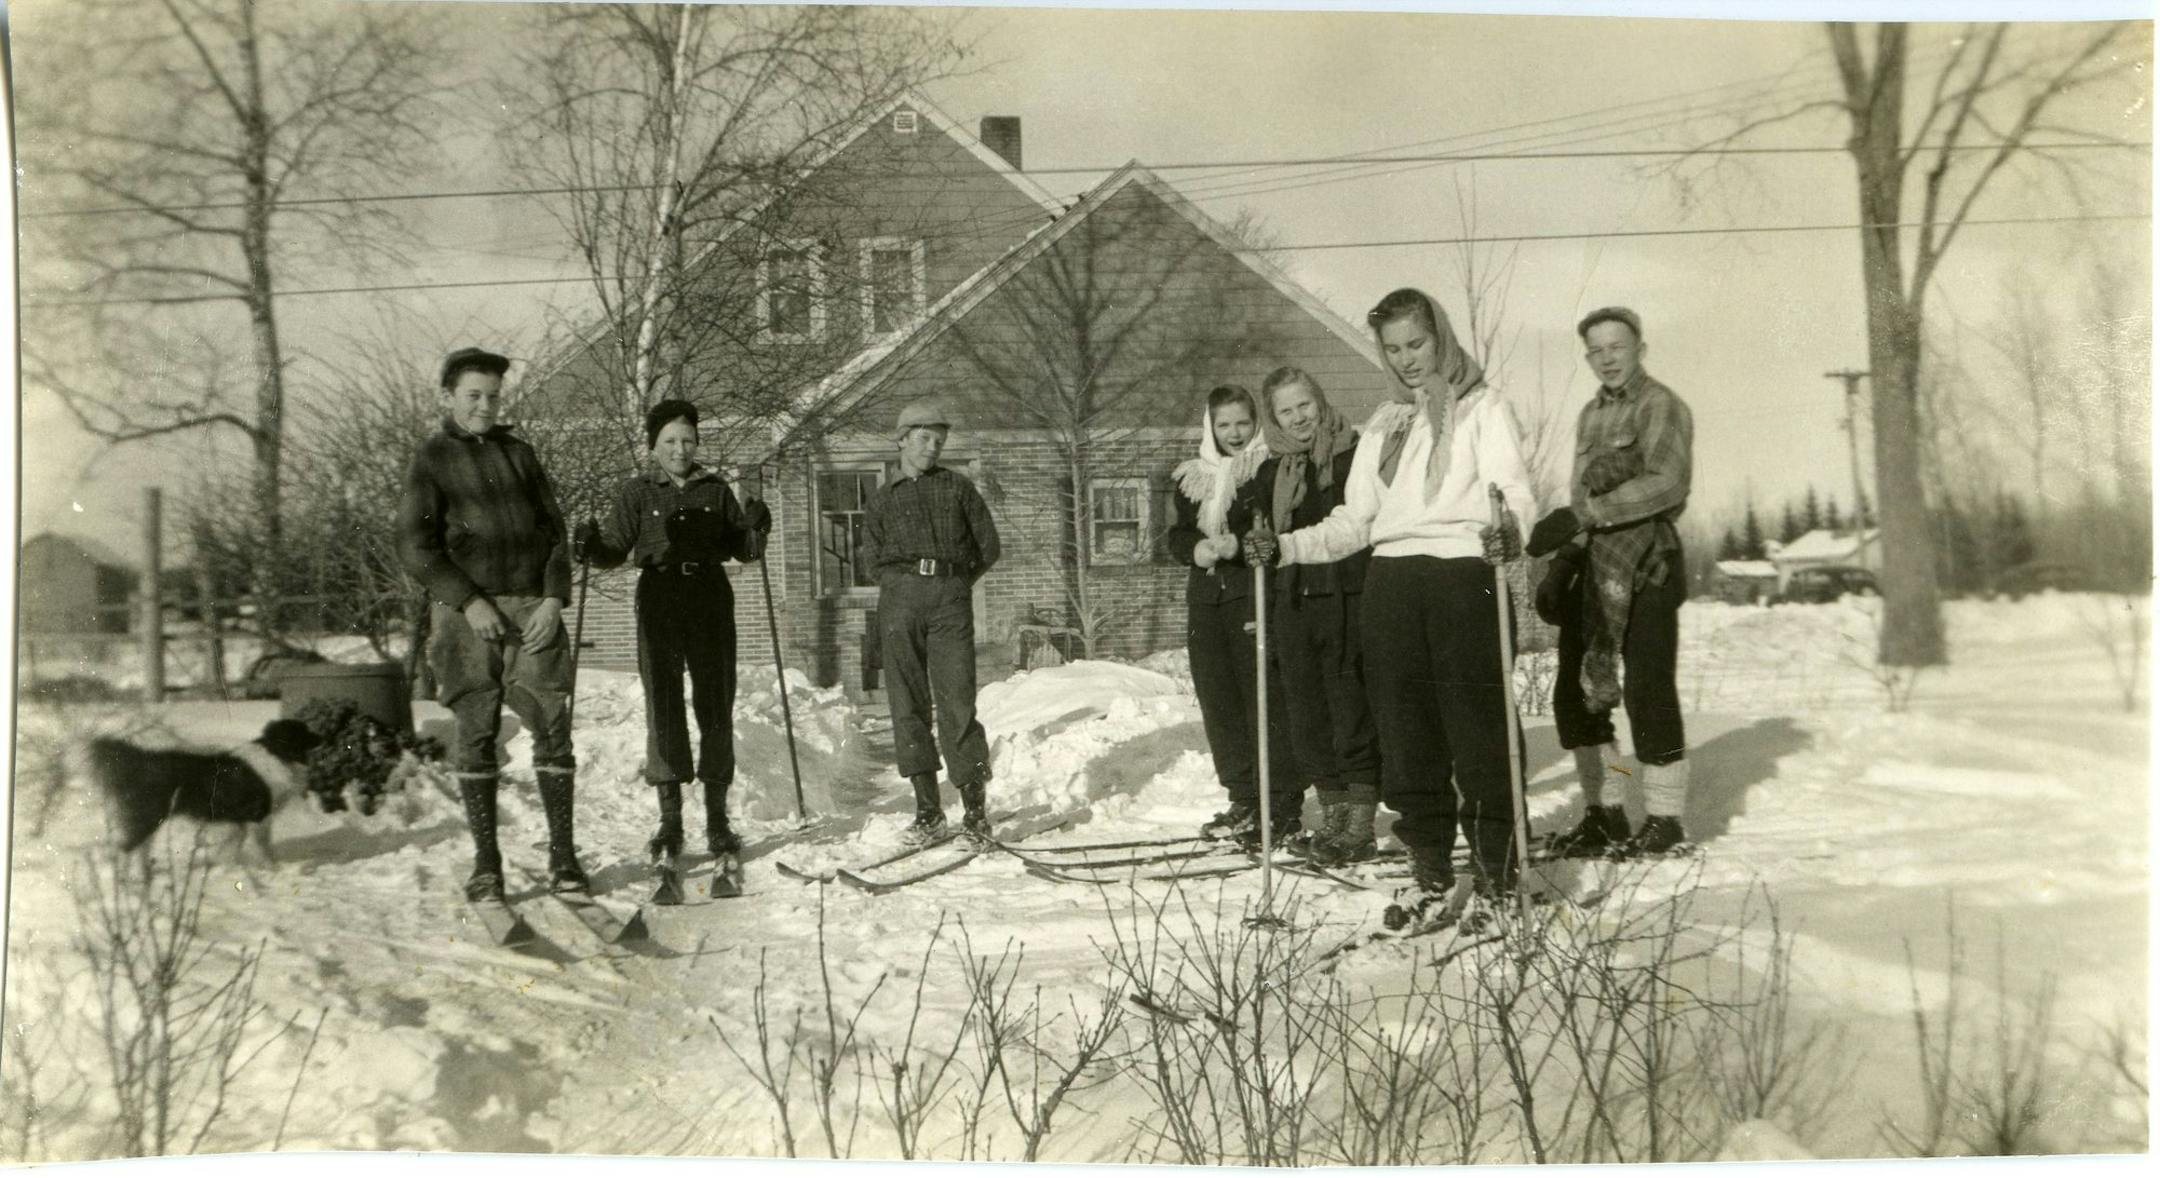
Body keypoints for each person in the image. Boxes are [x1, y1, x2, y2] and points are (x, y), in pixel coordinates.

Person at [1249, 289, 1533, 926]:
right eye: (1394, 348)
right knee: (1407, 740)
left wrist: (1510, 528)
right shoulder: (1384, 424)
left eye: (1417, 343)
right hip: (1392, 584)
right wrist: (1286, 547)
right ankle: (1430, 868)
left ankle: (1498, 872)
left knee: (1478, 732)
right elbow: (1355, 520)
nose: (1407, 359)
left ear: (1441, 339)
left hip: (1464, 574)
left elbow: (1512, 490)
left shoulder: (1483, 407)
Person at [398, 347, 586, 900]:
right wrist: (468, 601)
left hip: (532, 611)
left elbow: (555, 533)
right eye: (473, 395)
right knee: (475, 731)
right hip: (466, 616)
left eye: (494, 397)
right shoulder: (431, 458)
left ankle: (564, 859)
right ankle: (487, 865)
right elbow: (414, 545)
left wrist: (552, 599)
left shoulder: (521, 456)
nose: (485, 406)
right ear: (448, 397)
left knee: (553, 726)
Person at [572, 399, 773, 864]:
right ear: (654, 446)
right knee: (663, 703)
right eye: (669, 441)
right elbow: (613, 549)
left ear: (697, 442)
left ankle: (718, 818)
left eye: (687, 440)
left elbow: (743, 549)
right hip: (660, 597)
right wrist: (588, 545)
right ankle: (671, 819)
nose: (679, 449)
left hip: (709, 596)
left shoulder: (715, 489)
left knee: (715, 702)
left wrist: (757, 528)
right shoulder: (637, 492)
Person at [1527, 306, 1695, 858]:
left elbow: (1667, 484)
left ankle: (1665, 820)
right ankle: (1609, 809)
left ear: (1639, 348)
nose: (1607, 358)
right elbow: (1580, 499)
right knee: (1580, 694)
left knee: (1647, 691)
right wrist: (1564, 563)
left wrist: (1586, 514)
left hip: (1648, 563)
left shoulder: (1660, 404)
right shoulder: (1589, 416)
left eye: (1616, 347)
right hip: (1596, 563)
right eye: (1595, 350)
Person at [1250, 367, 1380, 865]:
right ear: (1274, 418)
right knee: (1307, 712)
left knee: (1350, 708)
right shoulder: (1270, 472)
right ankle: (1333, 817)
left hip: (1348, 595)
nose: (1299, 418)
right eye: (1286, 411)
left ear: (1320, 401)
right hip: (1294, 601)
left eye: (1304, 405)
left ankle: (1360, 825)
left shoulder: (1352, 456)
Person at [863, 396, 1002, 845]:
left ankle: (976, 814)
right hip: (899, 601)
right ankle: (928, 813)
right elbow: (871, 559)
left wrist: (956, 584)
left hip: (949, 601)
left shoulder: (958, 488)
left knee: (958, 703)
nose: (932, 447)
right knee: (907, 704)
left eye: (939, 441)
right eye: (924, 438)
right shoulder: (882, 499)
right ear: (902, 440)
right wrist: (901, 586)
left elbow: (989, 546)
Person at [1168, 384, 1301, 848]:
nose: (1235, 433)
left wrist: (1238, 545)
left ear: (1256, 422)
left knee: (1264, 700)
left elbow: (1277, 529)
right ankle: (1243, 797)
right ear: (1211, 427)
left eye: (1243, 422)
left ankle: (1281, 804)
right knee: (1219, 702)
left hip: (1252, 594)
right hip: (1206, 602)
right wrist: (1196, 548)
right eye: (1224, 424)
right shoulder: (1192, 477)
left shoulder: (1268, 469)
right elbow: (1176, 535)